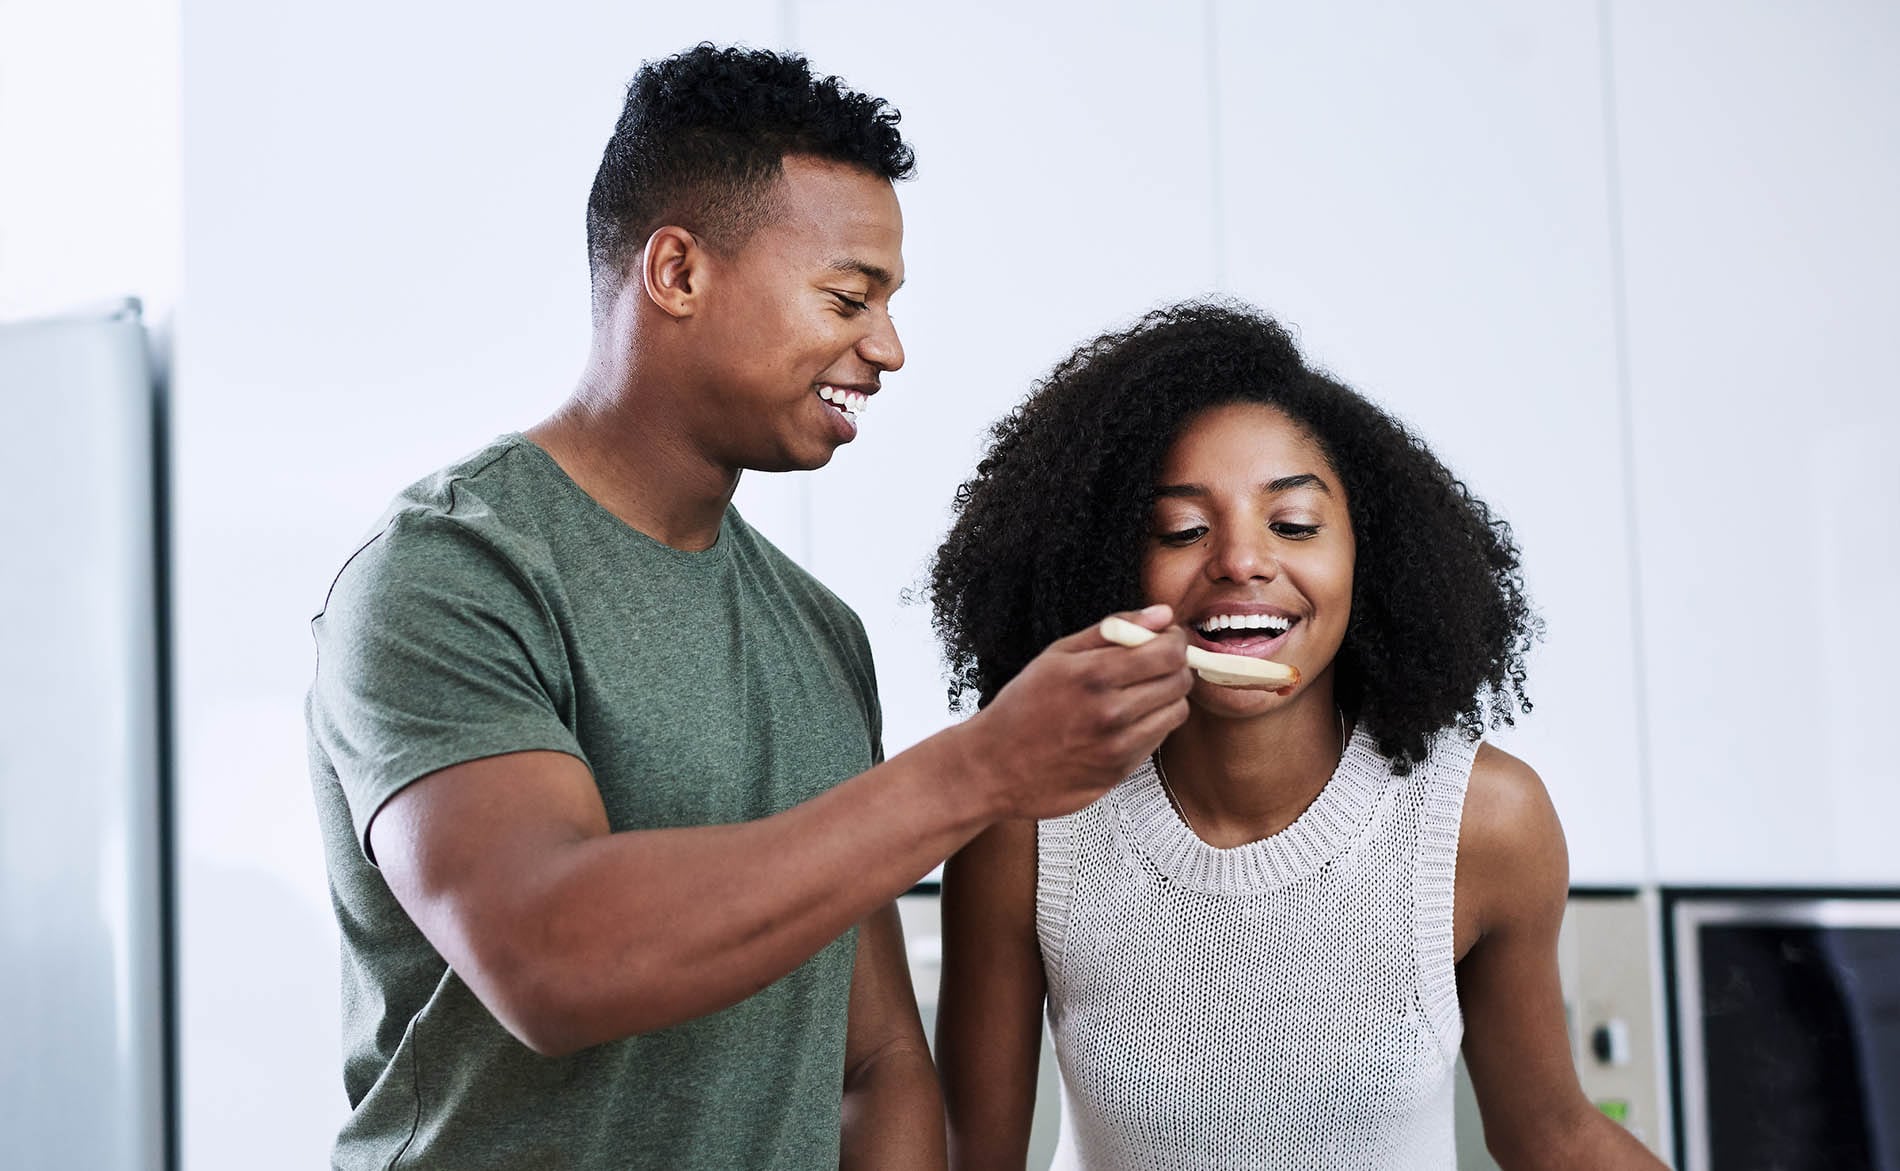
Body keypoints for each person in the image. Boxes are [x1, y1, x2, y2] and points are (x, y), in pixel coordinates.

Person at [305, 44, 1195, 1171]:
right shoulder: (449, 573)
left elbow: (870, 1065)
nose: (886, 347)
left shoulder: (817, 632)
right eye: (845, 296)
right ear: (676, 273)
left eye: (888, 302)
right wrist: (982, 767)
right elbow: (548, 960)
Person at [928, 302, 1669, 1169]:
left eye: (1293, 525)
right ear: (1105, 564)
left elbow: (1553, 1134)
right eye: (1182, 530)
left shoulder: (1482, 821)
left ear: (1370, 554)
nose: (1242, 560)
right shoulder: (1028, 824)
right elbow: (965, 1153)